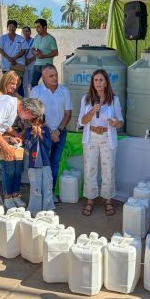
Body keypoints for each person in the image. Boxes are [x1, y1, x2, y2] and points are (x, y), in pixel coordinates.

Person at [78, 69, 124, 216]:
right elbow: (81, 121)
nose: (98, 83)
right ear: (92, 82)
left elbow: (121, 121)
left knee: (108, 169)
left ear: (106, 83)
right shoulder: (86, 99)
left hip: (107, 137)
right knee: (90, 168)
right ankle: (90, 199)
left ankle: (108, 199)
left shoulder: (114, 100)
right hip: (91, 136)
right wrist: (92, 111)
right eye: (96, 80)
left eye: (101, 80)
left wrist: (116, 123)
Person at [30, 64, 72, 202]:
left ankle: (50, 193)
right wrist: (49, 131)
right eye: (51, 76)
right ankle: (40, 193)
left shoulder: (64, 90)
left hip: (60, 132)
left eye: (56, 75)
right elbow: (33, 115)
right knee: (42, 164)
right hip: (42, 132)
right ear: (43, 77)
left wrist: (58, 131)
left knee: (55, 163)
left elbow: (68, 114)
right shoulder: (36, 91)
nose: (55, 78)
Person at [0, 71, 28, 208]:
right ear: (5, 81)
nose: (14, 86)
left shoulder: (17, 97)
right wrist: (9, 137)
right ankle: (7, 196)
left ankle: (16, 194)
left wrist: (22, 134)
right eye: (12, 83)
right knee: (8, 169)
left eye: (16, 84)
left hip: (19, 136)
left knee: (17, 169)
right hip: (4, 137)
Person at [25, 113, 55, 214]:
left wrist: (41, 135)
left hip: (46, 164)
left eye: (40, 124)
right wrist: (34, 135)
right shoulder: (28, 131)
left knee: (48, 186)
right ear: (31, 122)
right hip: (33, 166)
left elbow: (49, 144)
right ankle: (35, 209)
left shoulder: (45, 130)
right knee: (35, 188)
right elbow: (27, 147)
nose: (37, 126)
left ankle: (48, 208)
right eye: (35, 123)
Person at [0, 19, 26, 97]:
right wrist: (9, 58)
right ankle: (7, 100)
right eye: (10, 26)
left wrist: (14, 58)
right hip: (6, 65)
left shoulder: (21, 38)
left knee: (18, 84)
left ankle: (20, 101)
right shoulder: (3, 38)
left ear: (16, 28)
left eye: (13, 26)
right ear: (7, 27)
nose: (11, 28)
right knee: (7, 84)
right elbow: (0, 49)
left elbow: (24, 50)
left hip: (18, 64)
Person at [31, 18, 58, 88]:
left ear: (45, 27)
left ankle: (48, 98)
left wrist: (43, 56)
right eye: (36, 27)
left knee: (48, 84)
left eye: (38, 27)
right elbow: (32, 48)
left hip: (47, 65)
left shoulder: (51, 39)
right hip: (37, 65)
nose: (37, 29)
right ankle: (35, 99)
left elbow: (55, 52)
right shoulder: (36, 37)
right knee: (33, 83)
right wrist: (35, 52)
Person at [22, 26, 35, 97]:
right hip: (23, 65)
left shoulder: (34, 41)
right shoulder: (21, 41)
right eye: (24, 31)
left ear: (30, 32)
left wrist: (31, 59)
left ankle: (33, 98)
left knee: (31, 83)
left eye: (27, 31)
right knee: (24, 84)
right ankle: (26, 99)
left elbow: (38, 52)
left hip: (32, 64)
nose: (25, 33)